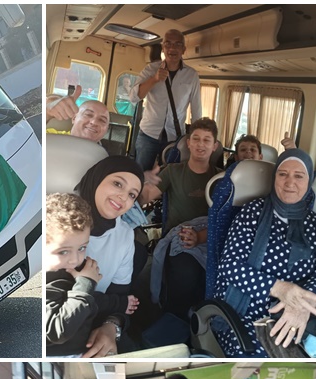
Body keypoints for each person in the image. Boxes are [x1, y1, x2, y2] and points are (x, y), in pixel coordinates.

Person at [213, 148, 316, 356]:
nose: (290, 182)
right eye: (283, 174)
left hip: (298, 313)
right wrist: (281, 289)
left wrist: (302, 303)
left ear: (308, 182)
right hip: (246, 310)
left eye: (299, 176)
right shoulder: (253, 211)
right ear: (274, 178)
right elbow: (230, 265)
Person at [143, 117, 220, 316]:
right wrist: (142, 180)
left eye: (206, 140)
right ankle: (175, 320)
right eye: (196, 139)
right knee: (187, 274)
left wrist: (202, 236)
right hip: (179, 237)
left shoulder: (222, 178)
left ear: (215, 146)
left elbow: (225, 220)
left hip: (210, 236)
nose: (200, 144)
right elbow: (144, 198)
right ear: (188, 143)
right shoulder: (173, 171)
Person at [43, 193, 126, 357]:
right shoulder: (45, 283)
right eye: (63, 251)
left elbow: (91, 302)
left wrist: (120, 304)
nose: (74, 259)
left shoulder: (71, 270)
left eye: (82, 248)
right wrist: (86, 283)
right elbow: (57, 331)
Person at [74, 157, 143, 329]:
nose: (123, 197)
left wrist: (111, 326)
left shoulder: (124, 235)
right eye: (118, 184)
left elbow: (120, 297)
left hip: (93, 319)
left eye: (132, 195)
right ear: (98, 178)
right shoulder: (59, 219)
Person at [131, 29, 202, 170]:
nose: (172, 48)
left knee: (168, 178)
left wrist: (195, 139)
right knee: (140, 175)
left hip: (174, 137)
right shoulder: (150, 70)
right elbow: (134, 97)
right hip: (148, 134)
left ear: (184, 49)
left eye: (177, 44)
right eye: (168, 44)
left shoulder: (192, 75)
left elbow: (196, 110)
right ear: (163, 48)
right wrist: (154, 79)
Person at [45, 98, 111, 145]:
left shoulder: (105, 159)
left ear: (106, 129)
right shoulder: (51, 137)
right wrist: (47, 112)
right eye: (88, 115)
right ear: (74, 118)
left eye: (102, 120)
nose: (94, 122)